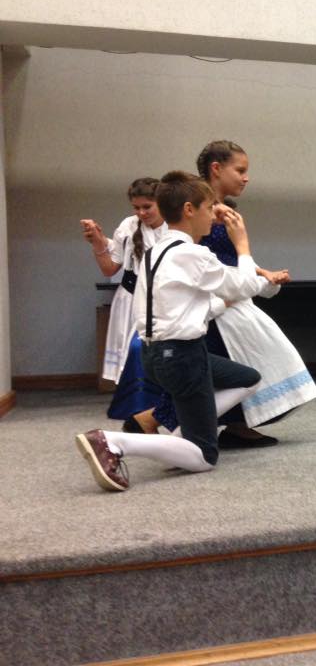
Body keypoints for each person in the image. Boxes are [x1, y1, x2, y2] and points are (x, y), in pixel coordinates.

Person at [75, 171, 265, 491]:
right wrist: (242, 244)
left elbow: (184, 306)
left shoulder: (156, 251)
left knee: (248, 378)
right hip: (182, 356)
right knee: (205, 458)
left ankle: (179, 440)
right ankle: (112, 441)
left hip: (157, 354)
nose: (213, 216)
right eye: (209, 208)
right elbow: (244, 285)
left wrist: (226, 301)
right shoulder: (191, 254)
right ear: (189, 210)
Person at [131, 141, 316, 447]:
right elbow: (210, 267)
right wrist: (245, 264)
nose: (246, 178)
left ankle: (234, 426)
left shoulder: (220, 212)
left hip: (225, 300)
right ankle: (155, 422)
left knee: (237, 368)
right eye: (240, 170)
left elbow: (223, 264)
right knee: (210, 375)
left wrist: (261, 272)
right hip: (213, 308)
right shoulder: (194, 221)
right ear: (216, 169)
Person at [81, 178, 168, 418]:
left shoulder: (173, 228)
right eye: (136, 207)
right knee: (132, 353)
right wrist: (98, 242)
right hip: (130, 299)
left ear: (161, 203)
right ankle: (134, 407)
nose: (141, 213)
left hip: (162, 301)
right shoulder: (128, 226)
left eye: (147, 207)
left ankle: (160, 405)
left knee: (157, 354)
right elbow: (110, 268)